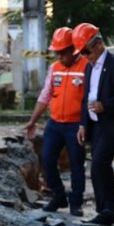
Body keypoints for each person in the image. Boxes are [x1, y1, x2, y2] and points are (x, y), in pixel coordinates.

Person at [72, 22, 114, 226]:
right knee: (97, 166)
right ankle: (106, 210)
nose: (85, 55)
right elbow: (87, 98)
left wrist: (106, 106)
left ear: (98, 43)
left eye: (86, 50)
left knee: (99, 163)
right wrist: (83, 124)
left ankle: (108, 210)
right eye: (82, 52)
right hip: (96, 126)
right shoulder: (89, 68)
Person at [23, 27, 89, 216]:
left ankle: (76, 203)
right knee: (47, 159)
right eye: (57, 52)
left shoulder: (86, 67)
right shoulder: (55, 68)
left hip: (76, 125)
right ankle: (59, 196)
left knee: (77, 164)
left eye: (63, 52)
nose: (59, 56)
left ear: (73, 50)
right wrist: (32, 121)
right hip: (55, 123)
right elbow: (45, 95)